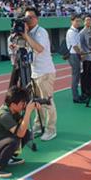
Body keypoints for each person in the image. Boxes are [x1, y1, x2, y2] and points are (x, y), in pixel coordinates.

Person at [0, 86, 40, 178]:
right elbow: (19, 133)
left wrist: (29, 110)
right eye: (22, 103)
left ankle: (8, 159)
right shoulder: (4, 115)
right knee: (13, 141)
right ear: (13, 104)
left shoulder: (12, 111)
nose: (24, 105)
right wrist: (28, 112)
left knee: (27, 134)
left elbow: (22, 128)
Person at [22, 7, 57, 141]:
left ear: (37, 18)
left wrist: (25, 36)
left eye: (31, 17)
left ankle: (51, 129)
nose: (28, 20)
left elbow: (39, 48)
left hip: (45, 72)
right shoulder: (28, 32)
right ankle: (38, 125)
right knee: (36, 102)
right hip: (35, 72)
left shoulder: (40, 32)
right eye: (26, 17)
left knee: (47, 102)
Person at [66, 14, 85, 103]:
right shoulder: (71, 32)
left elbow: (78, 45)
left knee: (77, 76)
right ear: (72, 21)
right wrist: (81, 54)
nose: (78, 23)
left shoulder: (76, 31)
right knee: (75, 76)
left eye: (79, 21)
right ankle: (75, 97)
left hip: (76, 54)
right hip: (73, 55)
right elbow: (75, 46)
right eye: (76, 21)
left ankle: (77, 95)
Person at [78, 14, 91, 101]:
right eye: (87, 20)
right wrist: (82, 55)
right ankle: (84, 92)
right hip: (85, 56)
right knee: (84, 76)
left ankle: (89, 90)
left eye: (90, 20)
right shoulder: (82, 33)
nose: (88, 21)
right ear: (84, 22)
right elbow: (80, 45)